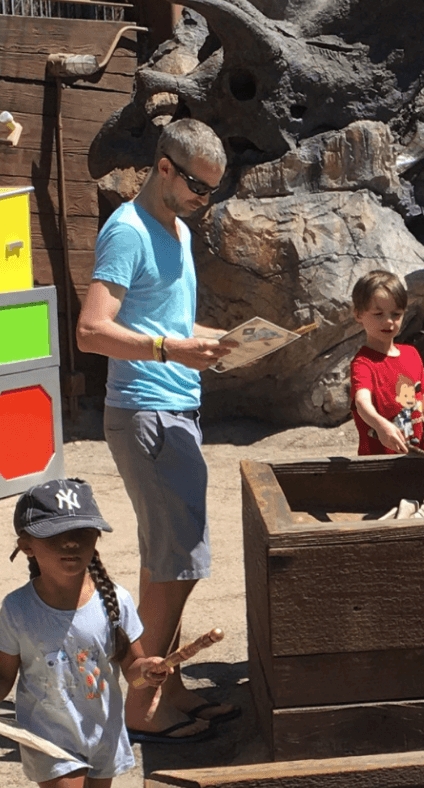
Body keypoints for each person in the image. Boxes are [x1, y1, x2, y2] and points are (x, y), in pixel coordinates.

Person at [75, 118, 239, 742]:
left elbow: (168, 320)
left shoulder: (176, 229)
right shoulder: (128, 231)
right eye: (199, 187)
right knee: (180, 563)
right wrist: (172, 350)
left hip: (175, 409)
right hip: (147, 412)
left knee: (169, 563)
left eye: (213, 193)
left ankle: (162, 685)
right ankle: (145, 707)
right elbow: (92, 330)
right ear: (163, 167)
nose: (205, 201)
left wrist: (213, 342)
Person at [0, 478, 174, 787]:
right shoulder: (17, 609)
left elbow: (132, 668)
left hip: (102, 730)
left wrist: (147, 672)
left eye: (82, 532)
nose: (71, 542)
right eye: (55, 534)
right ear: (26, 545)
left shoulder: (115, 601)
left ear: (96, 537)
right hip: (49, 737)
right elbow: (3, 677)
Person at [350, 270, 424, 457]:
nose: (388, 321)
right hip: (378, 462)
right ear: (358, 314)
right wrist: (381, 425)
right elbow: (361, 403)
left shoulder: (411, 354)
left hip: (418, 457)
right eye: (378, 314)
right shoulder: (363, 362)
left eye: (396, 314)